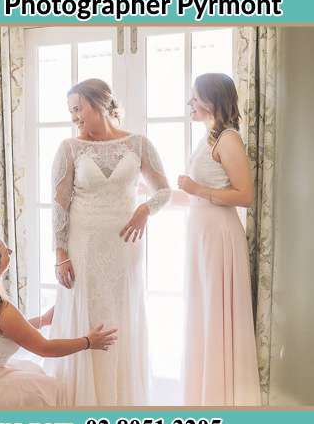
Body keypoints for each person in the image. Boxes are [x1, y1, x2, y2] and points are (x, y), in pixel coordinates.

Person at [46, 78, 171, 405]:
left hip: (125, 249)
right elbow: (59, 205)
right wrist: (61, 255)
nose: (74, 117)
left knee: (120, 316)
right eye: (71, 111)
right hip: (83, 248)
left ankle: (120, 403)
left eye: (78, 108)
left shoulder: (139, 144)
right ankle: (83, 403)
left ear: (99, 102)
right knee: (86, 315)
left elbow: (164, 190)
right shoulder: (69, 148)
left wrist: (146, 208)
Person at [0, 233, 117, 407]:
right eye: (7, 252)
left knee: (33, 371)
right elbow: (45, 348)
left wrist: (43, 320)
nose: (10, 254)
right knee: (53, 391)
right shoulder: (0, 310)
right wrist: (88, 342)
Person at [177, 73, 261, 406]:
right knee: (203, 312)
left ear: (212, 100)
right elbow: (195, 195)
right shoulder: (208, 138)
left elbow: (245, 195)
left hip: (220, 235)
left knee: (218, 312)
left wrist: (198, 190)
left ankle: (224, 399)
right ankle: (205, 396)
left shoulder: (228, 139)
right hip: (202, 234)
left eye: (195, 97)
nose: (190, 104)